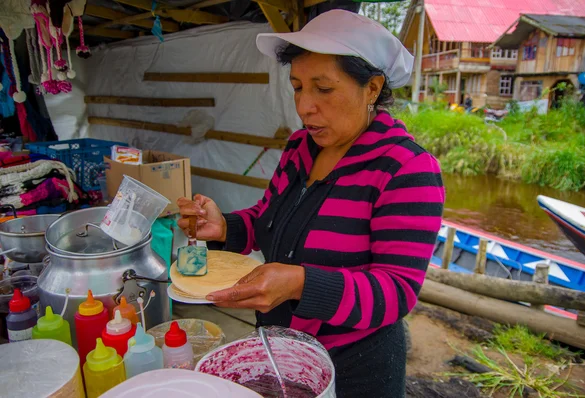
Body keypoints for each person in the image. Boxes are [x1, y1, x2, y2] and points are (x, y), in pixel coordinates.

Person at [177, 9, 445, 397]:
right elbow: (269, 217)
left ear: (372, 88)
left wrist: (300, 284)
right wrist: (226, 226)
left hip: (356, 366)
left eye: (323, 88)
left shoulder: (406, 169)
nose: (304, 106)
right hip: (281, 350)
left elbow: (396, 290)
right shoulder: (301, 147)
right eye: (298, 86)